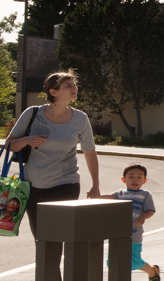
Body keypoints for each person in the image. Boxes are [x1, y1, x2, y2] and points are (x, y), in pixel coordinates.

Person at [6, 70, 102, 236]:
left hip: (66, 183)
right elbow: (9, 145)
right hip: (32, 185)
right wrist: (28, 140)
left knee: (57, 233)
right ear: (53, 92)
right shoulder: (32, 114)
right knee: (40, 236)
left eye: (74, 85)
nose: (74, 88)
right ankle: (48, 263)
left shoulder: (80, 118)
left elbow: (90, 152)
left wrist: (95, 184)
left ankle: (53, 263)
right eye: (68, 86)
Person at [112, 164, 160, 281]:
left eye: (139, 177)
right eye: (131, 177)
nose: (135, 180)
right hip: (117, 234)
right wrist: (95, 195)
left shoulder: (145, 195)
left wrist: (143, 216)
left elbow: (150, 210)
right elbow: (106, 198)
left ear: (145, 180)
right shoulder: (119, 194)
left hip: (134, 235)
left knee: (134, 262)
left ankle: (152, 272)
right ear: (123, 179)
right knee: (113, 261)